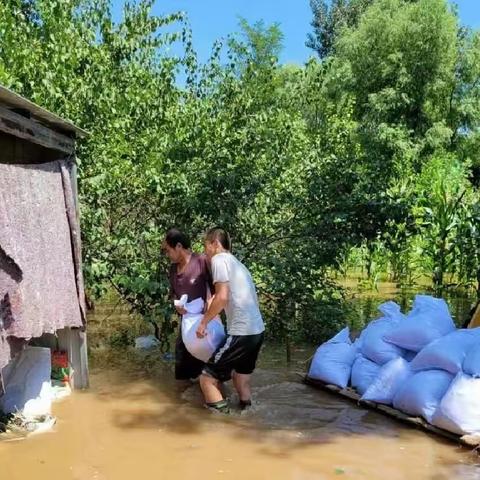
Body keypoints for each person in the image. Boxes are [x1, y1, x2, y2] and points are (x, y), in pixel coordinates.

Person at [196, 227, 265, 412]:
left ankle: (224, 425)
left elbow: (223, 297)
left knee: (207, 378)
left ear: (215, 244)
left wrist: (204, 322)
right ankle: (247, 413)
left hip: (241, 332)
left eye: (206, 247)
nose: (206, 253)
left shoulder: (219, 259)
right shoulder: (237, 264)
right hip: (257, 331)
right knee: (240, 378)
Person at [163, 228, 213, 381]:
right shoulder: (172, 269)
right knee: (183, 374)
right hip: (187, 325)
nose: (166, 254)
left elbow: (218, 290)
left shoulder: (201, 261)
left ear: (178, 246)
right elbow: (173, 294)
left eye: (167, 250)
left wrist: (208, 312)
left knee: (209, 372)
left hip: (206, 325)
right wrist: (176, 305)